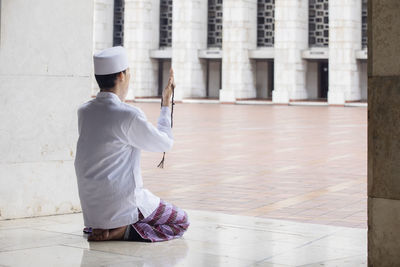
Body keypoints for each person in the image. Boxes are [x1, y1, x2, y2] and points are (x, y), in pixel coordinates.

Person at [74, 46, 189, 242]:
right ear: (121, 76)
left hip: (93, 212)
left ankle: (109, 227)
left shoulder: (84, 111)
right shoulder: (127, 115)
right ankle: (122, 231)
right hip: (123, 205)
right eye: (128, 73)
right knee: (180, 221)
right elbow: (164, 143)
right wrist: (165, 103)